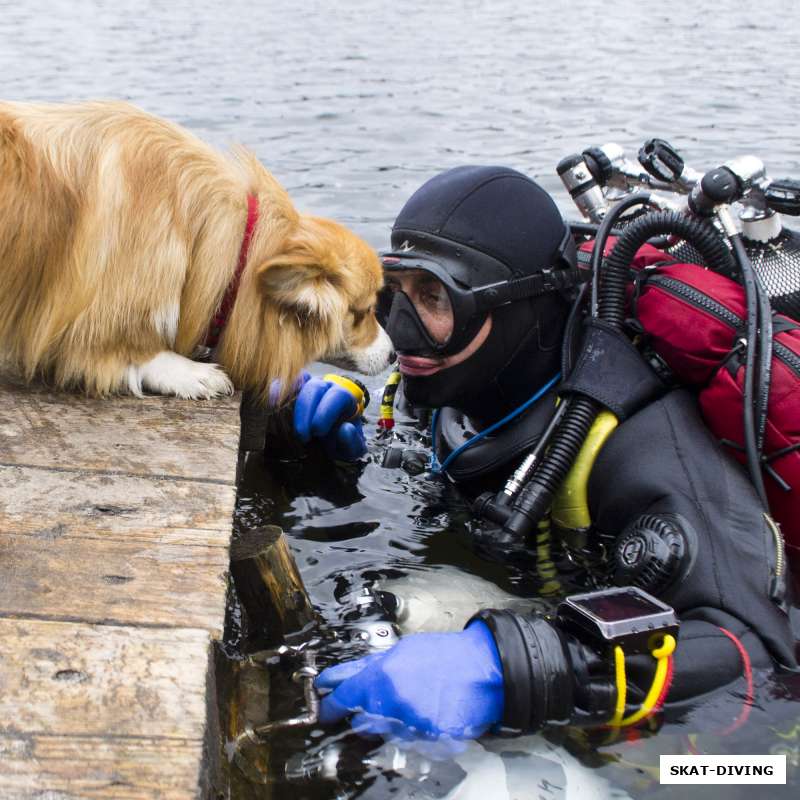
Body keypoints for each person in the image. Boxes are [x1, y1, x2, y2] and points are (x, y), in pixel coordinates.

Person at [291, 165, 798, 741]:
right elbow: (404, 441)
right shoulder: (456, 375)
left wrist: (520, 672)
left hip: (750, 759)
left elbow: (753, 655)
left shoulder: (639, 449)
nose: (399, 330)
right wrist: (335, 439)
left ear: (517, 310)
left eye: (433, 296)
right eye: (392, 292)